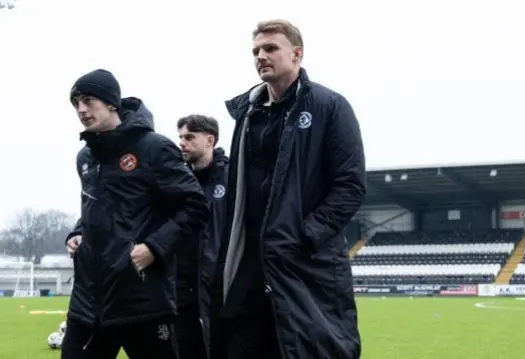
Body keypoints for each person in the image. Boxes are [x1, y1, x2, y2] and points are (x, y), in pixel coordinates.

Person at [221, 19, 366, 359]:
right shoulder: (247, 115)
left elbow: (351, 186)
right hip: (250, 265)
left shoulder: (330, 107)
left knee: (311, 348)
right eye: (256, 51)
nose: (261, 56)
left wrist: (303, 236)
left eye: (270, 48)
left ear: (297, 54)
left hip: (305, 262)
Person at [62, 69, 209, 359]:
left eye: (88, 100)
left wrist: (154, 247)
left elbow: (195, 206)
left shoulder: (154, 148)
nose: (81, 110)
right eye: (75, 102)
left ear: (111, 103)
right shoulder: (86, 157)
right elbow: (97, 208)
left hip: (141, 300)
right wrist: (78, 233)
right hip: (88, 301)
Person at [175, 114, 229, 359]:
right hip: (184, 290)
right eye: (180, 137)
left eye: (189, 137)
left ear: (210, 140)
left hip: (221, 287)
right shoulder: (176, 181)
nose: (182, 143)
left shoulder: (233, 177)